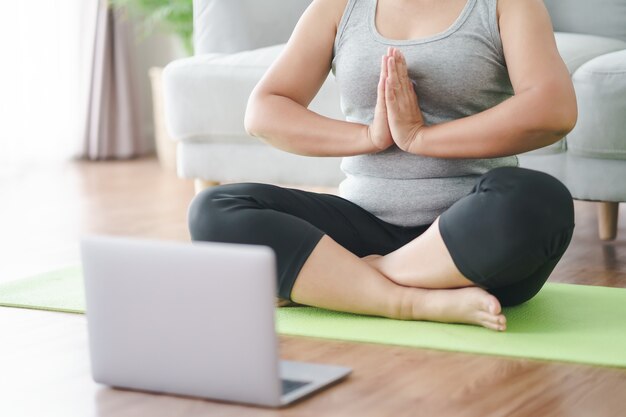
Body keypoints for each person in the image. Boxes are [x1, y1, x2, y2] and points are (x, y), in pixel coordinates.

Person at [188, 0, 577, 331]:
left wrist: (421, 139)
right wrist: (369, 138)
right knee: (214, 209)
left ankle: (348, 281)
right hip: (361, 224)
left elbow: (553, 108)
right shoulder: (341, 6)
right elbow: (265, 111)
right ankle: (408, 301)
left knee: (540, 200)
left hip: (468, 239)